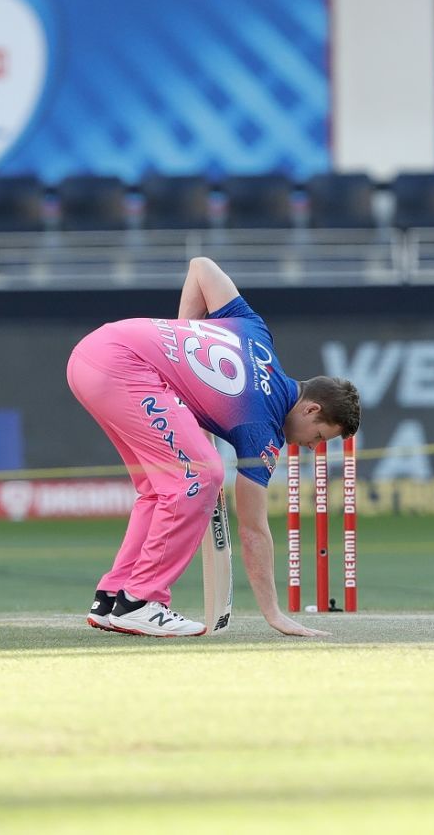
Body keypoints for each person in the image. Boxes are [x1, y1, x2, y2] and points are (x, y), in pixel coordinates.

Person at [67, 256, 361, 636]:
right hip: (126, 367)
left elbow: (202, 267)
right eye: (319, 437)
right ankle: (140, 601)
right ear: (311, 408)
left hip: (94, 351)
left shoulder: (257, 332)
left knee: (159, 489)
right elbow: (253, 529)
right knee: (203, 474)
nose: (309, 447)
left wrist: (181, 337)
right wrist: (273, 613)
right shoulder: (263, 429)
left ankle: (112, 598)